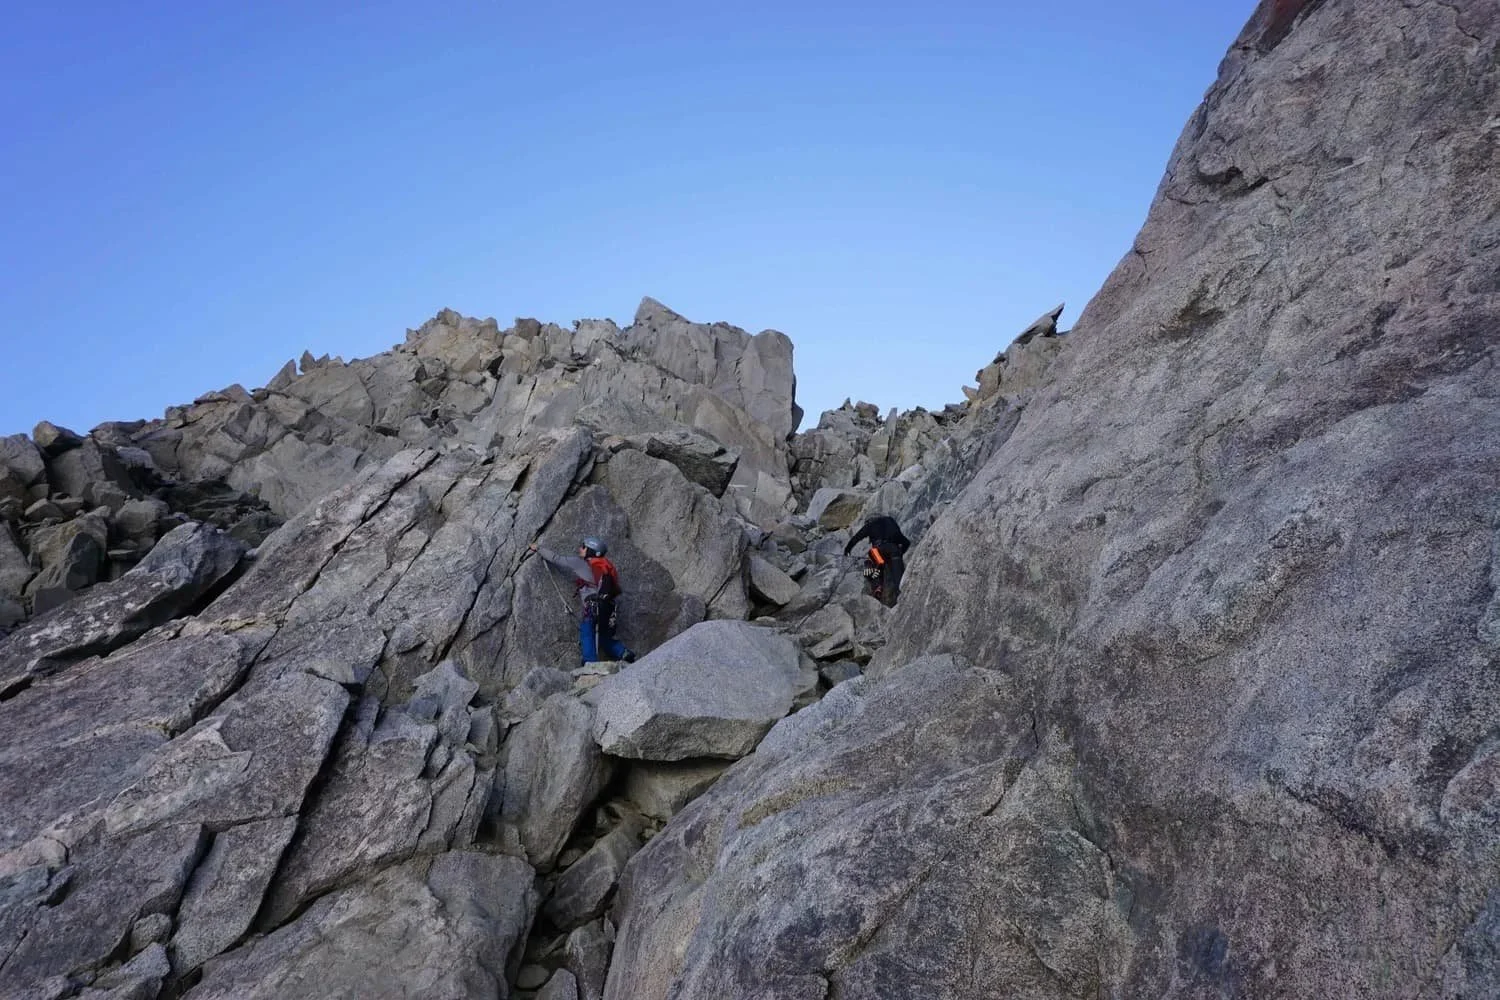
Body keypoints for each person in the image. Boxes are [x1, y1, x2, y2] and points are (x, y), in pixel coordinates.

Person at [528, 536, 636, 664]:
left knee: (587, 631)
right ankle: (623, 652)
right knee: (604, 637)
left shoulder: (579, 562)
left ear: (590, 550)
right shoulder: (606, 566)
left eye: (584, 547)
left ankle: (590, 661)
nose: (580, 549)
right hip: (609, 607)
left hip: (593, 605)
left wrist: (538, 548)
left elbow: (556, 559)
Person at [844, 515, 910, 607]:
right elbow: (906, 542)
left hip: (876, 551)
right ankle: (903, 600)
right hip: (893, 550)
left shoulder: (870, 524)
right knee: (899, 580)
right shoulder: (890, 522)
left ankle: (878, 587)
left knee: (876, 563)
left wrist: (847, 549)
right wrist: (900, 553)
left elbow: (857, 537)